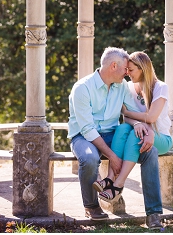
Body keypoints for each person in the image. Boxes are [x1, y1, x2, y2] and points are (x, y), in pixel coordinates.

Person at [68, 47, 164, 228]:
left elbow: (130, 112)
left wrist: (138, 124)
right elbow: (87, 129)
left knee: (149, 152)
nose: (127, 73)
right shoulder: (82, 88)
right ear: (114, 66)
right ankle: (92, 206)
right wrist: (112, 156)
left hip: (112, 134)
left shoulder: (121, 87)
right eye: (125, 69)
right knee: (89, 158)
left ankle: (153, 213)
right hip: (83, 136)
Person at [94, 52, 173, 209]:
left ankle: (118, 184)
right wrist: (136, 122)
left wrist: (127, 113)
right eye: (126, 69)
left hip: (161, 138)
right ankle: (110, 178)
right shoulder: (129, 87)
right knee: (124, 128)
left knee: (133, 135)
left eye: (131, 70)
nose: (127, 73)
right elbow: (126, 120)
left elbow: (151, 117)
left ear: (142, 69)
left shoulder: (160, 87)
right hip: (139, 134)